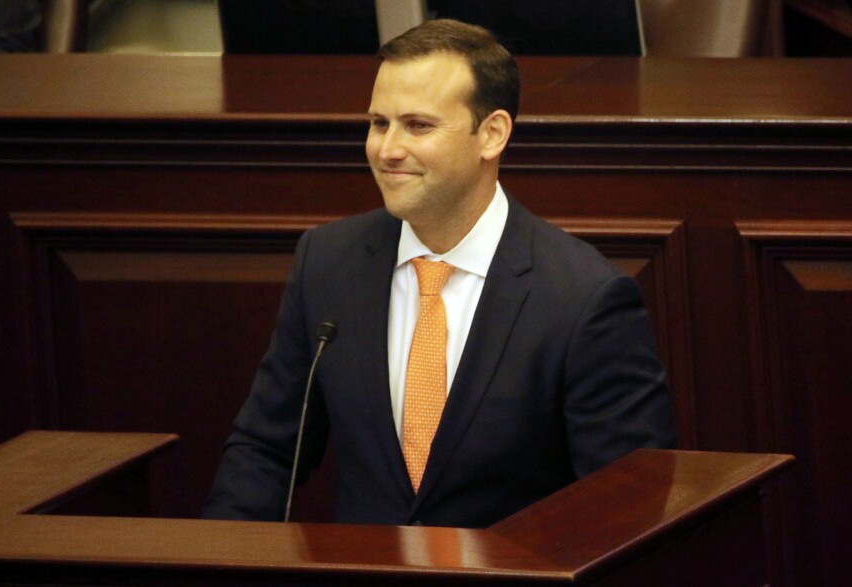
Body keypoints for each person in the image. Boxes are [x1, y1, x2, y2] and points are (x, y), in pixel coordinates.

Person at [203, 19, 675, 528]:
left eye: (418, 126)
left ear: (491, 134)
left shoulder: (584, 298)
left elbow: (628, 511)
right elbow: (267, 450)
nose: (386, 150)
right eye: (379, 123)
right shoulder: (328, 262)